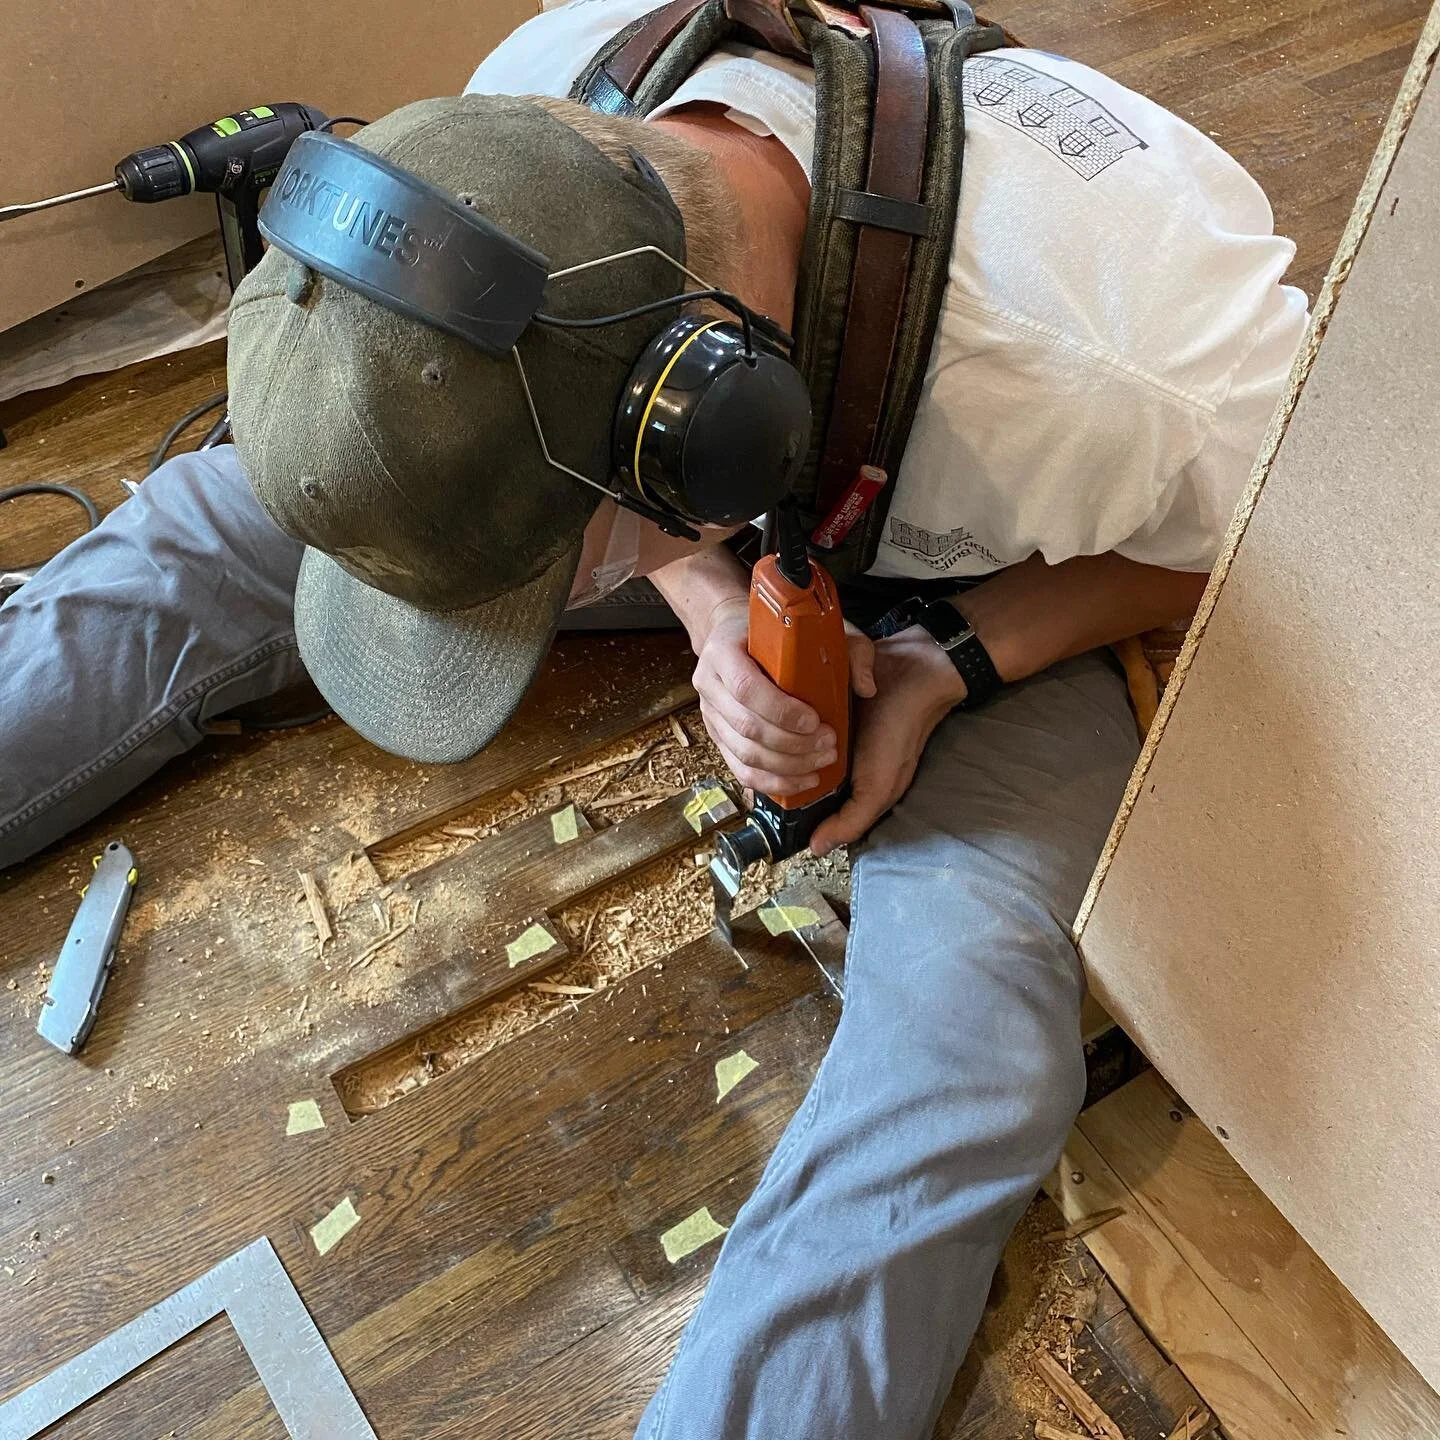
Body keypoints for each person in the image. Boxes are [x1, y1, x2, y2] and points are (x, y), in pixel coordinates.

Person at [0, 1, 1306, 1433]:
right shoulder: (528, 112)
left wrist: (945, 667)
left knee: (964, 1046)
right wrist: (703, 606)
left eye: (549, 577)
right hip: (694, 480)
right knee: (240, 524)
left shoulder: (1144, 366)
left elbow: (1271, 536)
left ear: (707, 428)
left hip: (1000, 571)